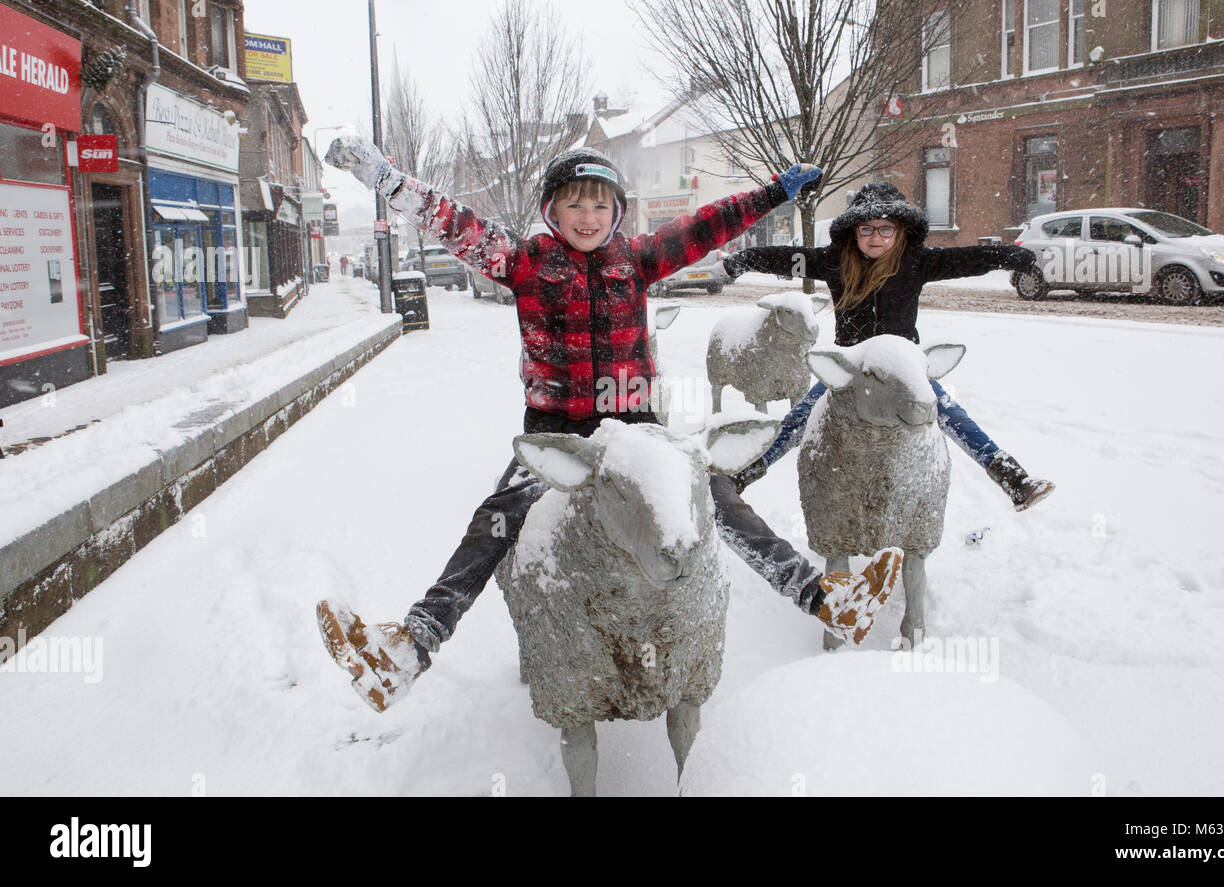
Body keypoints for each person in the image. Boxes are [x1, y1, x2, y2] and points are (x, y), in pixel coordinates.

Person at [314, 138, 905, 713]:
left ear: (617, 212)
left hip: (635, 430)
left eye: (601, 204)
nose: (588, 216)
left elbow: (709, 225)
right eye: (574, 202)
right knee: (495, 520)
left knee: (713, 494)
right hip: (557, 430)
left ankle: (824, 597)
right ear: (552, 210)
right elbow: (455, 223)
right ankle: (411, 646)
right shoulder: (525, 263)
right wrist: (388, 180)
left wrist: (776, 190)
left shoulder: (638, 259)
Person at [723, 182, 1055, 510]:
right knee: (798, 420)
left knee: (950, 413)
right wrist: (747, 258)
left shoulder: (916, 261)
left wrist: (1007, 256)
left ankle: (1014, 480)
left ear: (899, 231)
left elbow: (967, 259)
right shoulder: (834, 261)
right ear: (854, 230)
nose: (875, 237)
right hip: (852, 364)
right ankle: (740, 477)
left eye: (886, 229)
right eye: (866, 228)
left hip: (902, 364)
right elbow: (785, 259)